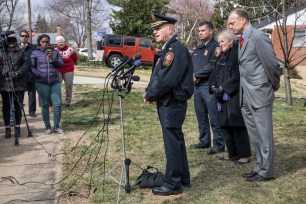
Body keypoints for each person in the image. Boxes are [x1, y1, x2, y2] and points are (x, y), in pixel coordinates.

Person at [228, 9, 281, 182]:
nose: (230, 26)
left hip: (259, 94)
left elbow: (273, 65)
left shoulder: (258, 37)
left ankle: (267, 171)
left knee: (264, 136)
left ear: (243, 21)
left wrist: (271, 86)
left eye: (232, 23)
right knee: (256, 136)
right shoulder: (241, 40)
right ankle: (259, 167)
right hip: (246, 96)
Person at [143, 13, 193, 196]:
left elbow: (167, 80)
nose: (154, 31)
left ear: (170, 29)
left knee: (172, 142)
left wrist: (150, 94)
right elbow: (159, 75)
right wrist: (150, 91)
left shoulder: (174, 50)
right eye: (154, 28)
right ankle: (183, 178)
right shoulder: (169, 49)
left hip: (172, 102)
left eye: (158, 28)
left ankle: (173, 183)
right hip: (170, 101)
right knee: (176, 140)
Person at [208, 30, 251, 164]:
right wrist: (213, 87)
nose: (220, 44)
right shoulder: (221, 56)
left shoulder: (237, 54)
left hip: (234, 95)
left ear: (231, 41)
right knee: (225, 125)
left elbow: (239, 75)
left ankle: (244, 155)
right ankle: (232, 154)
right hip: (220, 97)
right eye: (219, 42)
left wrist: (224, 88)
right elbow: (213, 73)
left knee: (237, 125)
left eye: (222, 41)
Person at [190, 21, 225, 155]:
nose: (200, 33)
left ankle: (219, 144)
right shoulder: (197, 49)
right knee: (201, 115)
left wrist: (197, 75)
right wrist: (192, 75)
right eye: (199, 31)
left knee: (213, 116)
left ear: (210, 31)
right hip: (197, 87)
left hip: (208, 86)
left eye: (203, 31)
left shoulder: (215, 46)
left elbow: (213, 64)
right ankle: (204, 141)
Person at [31, 34, 64, 134]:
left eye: (47, 42)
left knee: (58, 104)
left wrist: (52, 58)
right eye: (43, 42)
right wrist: (40, 75)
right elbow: (32, 68)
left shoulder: (55, 52)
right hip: (42, 82)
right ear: (39, 43)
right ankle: (48, 127)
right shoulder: (35, 53)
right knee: (45, 105)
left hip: (55, 82)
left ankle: (57, 126)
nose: (45, 43)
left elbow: (61, 65)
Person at [0, 34, 28, 138]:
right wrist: (5, 73)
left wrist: (17, 73)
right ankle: (7, 128)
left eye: (13, 42)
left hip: (18, 83)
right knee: (6, 106)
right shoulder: (2, 52)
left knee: (18, 106)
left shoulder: (21, 51)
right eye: (9, 42)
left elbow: (25, 65)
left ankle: (17, 127)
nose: (11, 45)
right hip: (5, 83)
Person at [55, 36, 78, 107]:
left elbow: (75, 59)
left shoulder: (70, 49)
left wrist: (70, 66)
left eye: (61, 42)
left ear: (64, 42)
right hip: (58, 70)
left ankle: (67, 102)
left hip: (68, 70)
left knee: (68, 86)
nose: (60, 44)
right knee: (56, 86)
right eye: (58, 43)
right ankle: (59, 101)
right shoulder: (55, 50)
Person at [19, 30, 37, 117]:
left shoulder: (33, 48)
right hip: (19, 76)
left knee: (32, 94)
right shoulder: (16, 47)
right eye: (22, 36)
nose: (24, 37)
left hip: (31, 75)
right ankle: (18, 112)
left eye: (26, 36)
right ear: (20, 37)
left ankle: (32, 111)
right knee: (19, 95)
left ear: (28, 37)